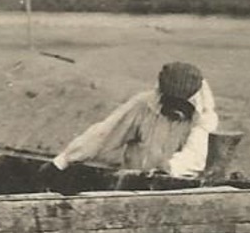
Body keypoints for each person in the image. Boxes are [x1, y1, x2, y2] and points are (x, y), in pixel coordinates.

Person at [43, 61, 218, 178]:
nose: (175, 107)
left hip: (177, 186)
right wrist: (63, 160)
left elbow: (194, 157)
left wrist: (167, 170)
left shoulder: (203, 117)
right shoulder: (143, 105)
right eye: (171, 100)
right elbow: (105, 134)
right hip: (134, 182)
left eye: (181, 102)